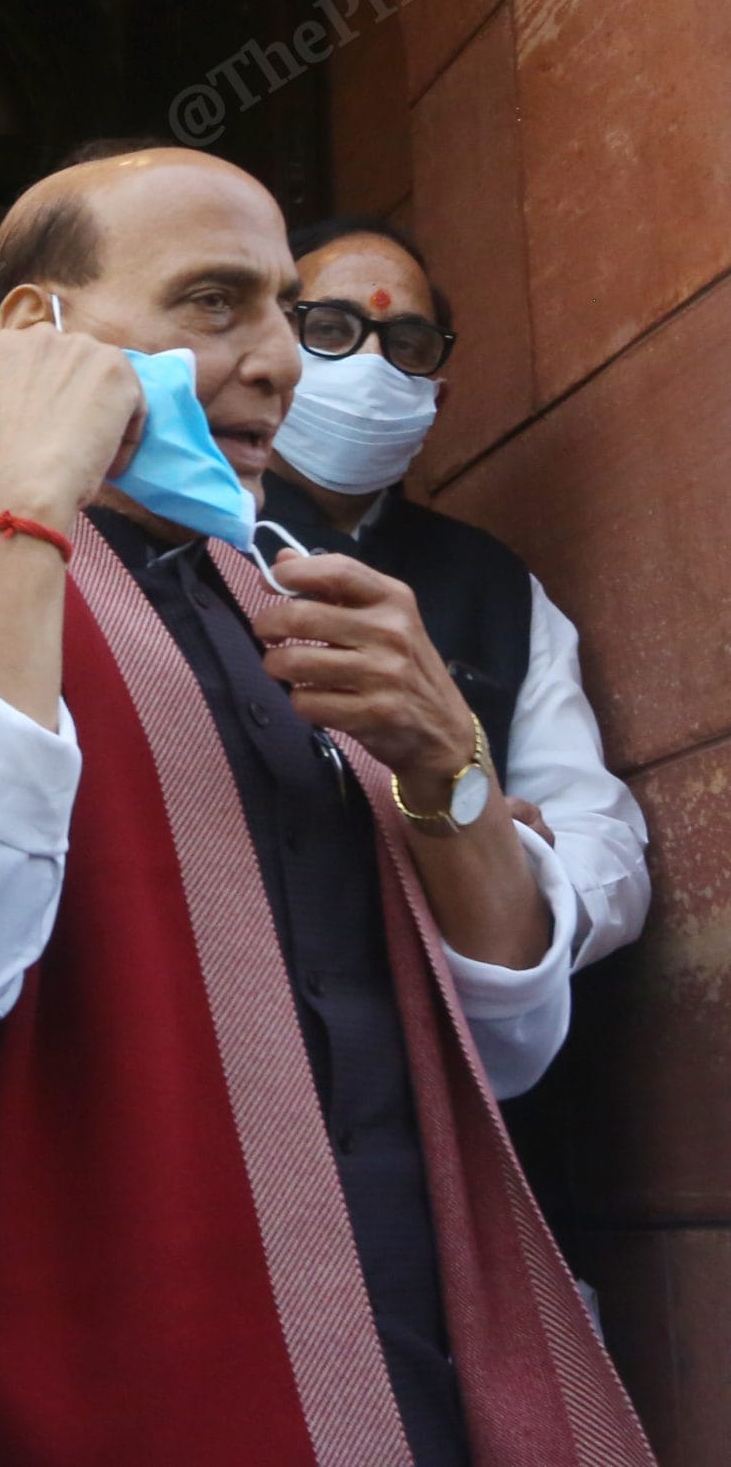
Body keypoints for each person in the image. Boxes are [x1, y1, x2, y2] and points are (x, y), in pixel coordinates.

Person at [0, 144, 649, 1462]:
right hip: (97, 1392)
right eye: (215, 303)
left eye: (282, 309)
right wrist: (21, 505)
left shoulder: (302, 599)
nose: (279, 361)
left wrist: (445, 759)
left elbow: (506, 1044)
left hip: (409, 1375)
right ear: (37, 330)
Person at [266, 215, 649, 967]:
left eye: (407, 344)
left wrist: (513, 868)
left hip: (449, 1005)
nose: (372, 366)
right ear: (265, 348)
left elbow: (603, 844)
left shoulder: (495, 584)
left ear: (435, 400)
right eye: (332, 330)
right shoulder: (179, 536)